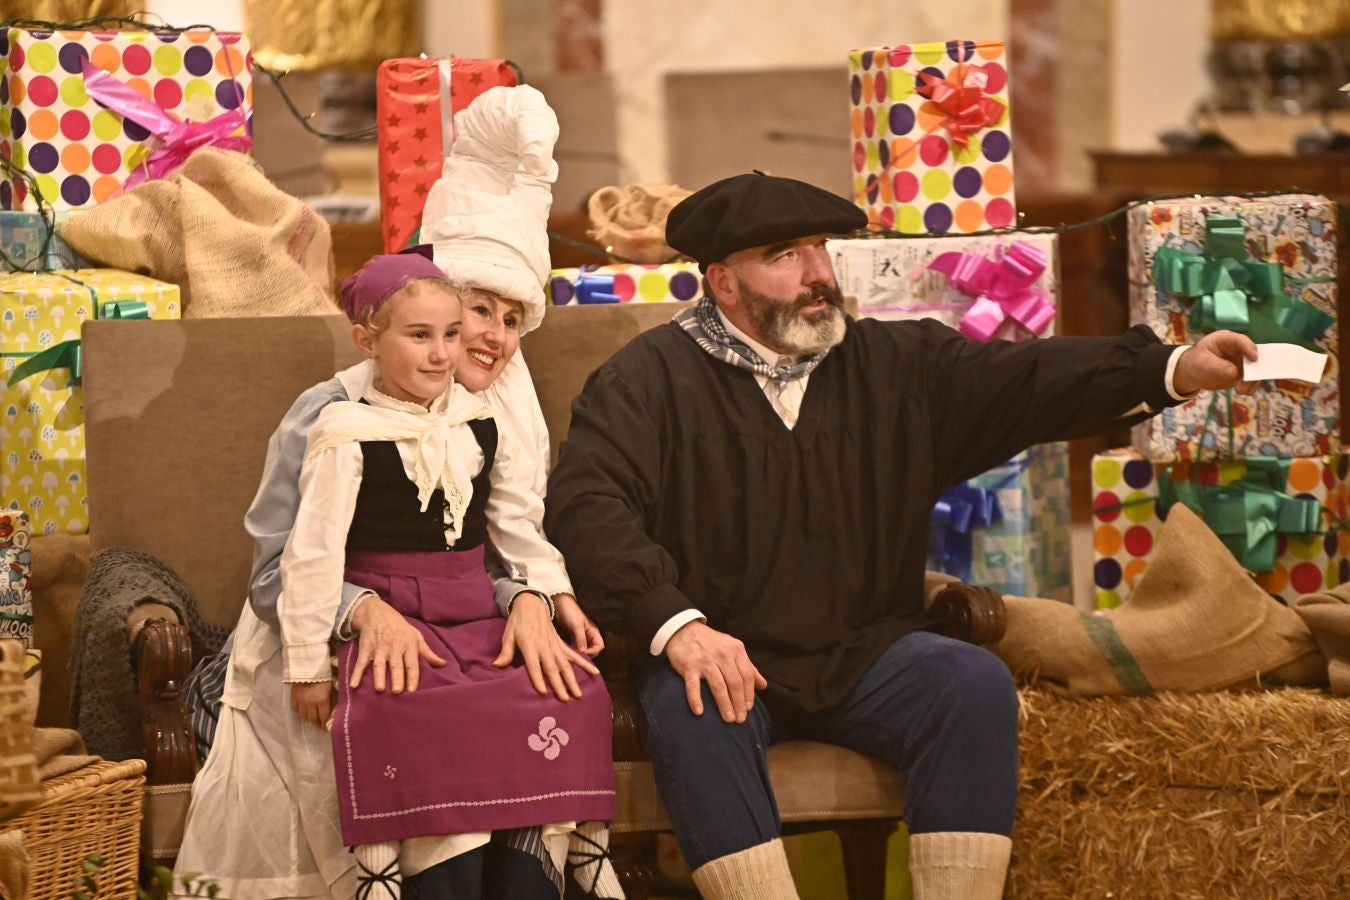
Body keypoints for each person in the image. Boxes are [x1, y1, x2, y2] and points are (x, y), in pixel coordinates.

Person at [542, 171, 1260, 900]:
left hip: (862, 651)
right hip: (725, 656)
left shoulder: (895, 365)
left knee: (968, 683)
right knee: (691, 706)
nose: (819, 274)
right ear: (724, 283)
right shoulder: (646, 381)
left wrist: (1172, 367)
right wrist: (678, 626)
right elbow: (587, 507)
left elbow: (1030, 379)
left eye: (821, 249)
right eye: (787, 255)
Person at [175, 85, 626, 900]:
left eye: (508, 319)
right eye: (470, 311)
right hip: (337, 624)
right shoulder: (337, 416)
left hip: (463, 618)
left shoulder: (504, 414)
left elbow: (505, 536)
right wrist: (357, 611)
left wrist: (526, 597)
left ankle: (530, 875)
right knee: (414, 714)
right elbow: (284, 567)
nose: (486, 338)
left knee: (547, 696)